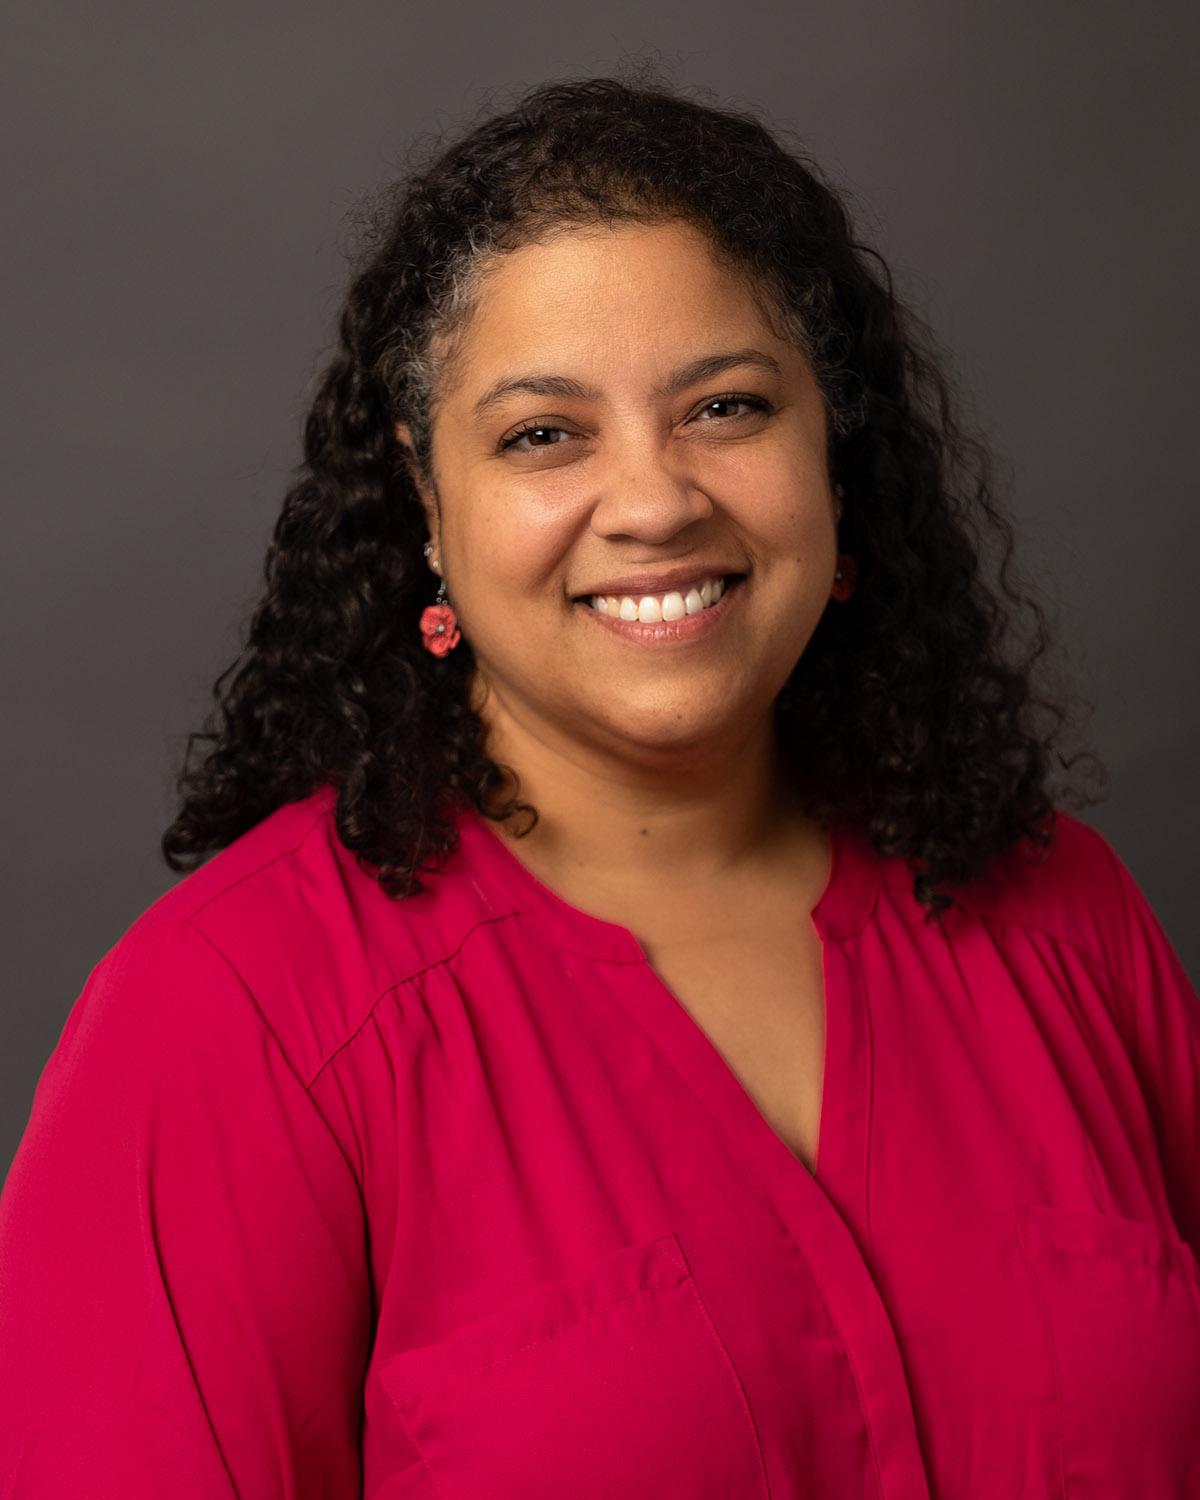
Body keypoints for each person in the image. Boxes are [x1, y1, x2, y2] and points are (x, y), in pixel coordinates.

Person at [1, 65, 1197, 1500]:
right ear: (427, 508)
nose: (655, 501)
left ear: (836, 458)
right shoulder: (230, 1021)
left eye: (728, 407)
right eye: (542, 434)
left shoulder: (1063, 912)